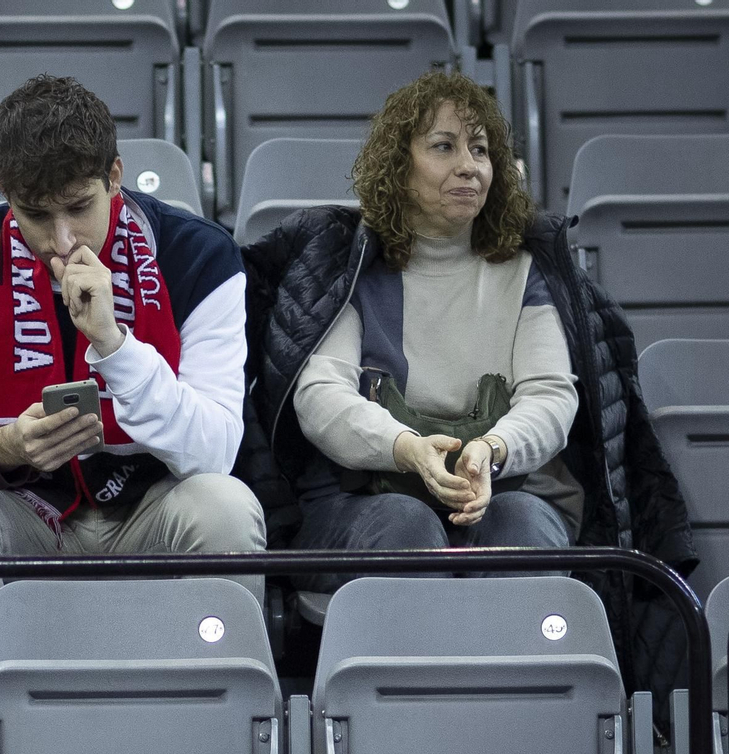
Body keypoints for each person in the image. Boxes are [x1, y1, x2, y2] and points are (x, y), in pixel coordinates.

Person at [243, 71, 693, 683]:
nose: (469, 166)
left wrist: (491, 450)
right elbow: (321, 397)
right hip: (362, 505)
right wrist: (406, 450)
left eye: (481, 150)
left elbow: (551, 396)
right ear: (398, 169)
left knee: (529, 527)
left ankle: (522, 717)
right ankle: (401, 718)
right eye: (444, 146)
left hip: (501, 489)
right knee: (406, 527)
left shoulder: (527, 271)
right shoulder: (352, 265)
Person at [0, 75, 266, 700]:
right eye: (36, 214)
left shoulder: (201, 257)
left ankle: (217, 723)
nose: (61, 239)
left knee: (227, 509)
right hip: (25, 505)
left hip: (155, 503)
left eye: (79, 206)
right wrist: (6, 447)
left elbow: (215, 451)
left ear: (115, 177)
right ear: (3, 195)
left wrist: (116, 348)